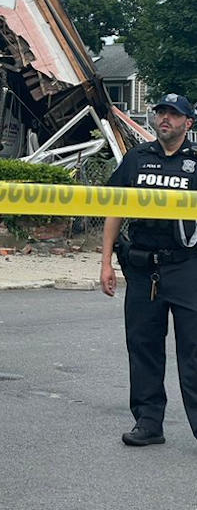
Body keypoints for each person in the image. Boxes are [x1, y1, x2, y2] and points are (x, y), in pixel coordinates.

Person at [101, 93, 197, 446]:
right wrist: (106, 262)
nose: (165, 119)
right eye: (161, 113)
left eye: (174, 114)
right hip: (143, 268)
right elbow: (114, 208)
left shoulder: (195, 162)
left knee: (194, 351)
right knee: (142, 347)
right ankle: (148, 422)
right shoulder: (137, 159)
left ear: (188, 123)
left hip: (187, 267)